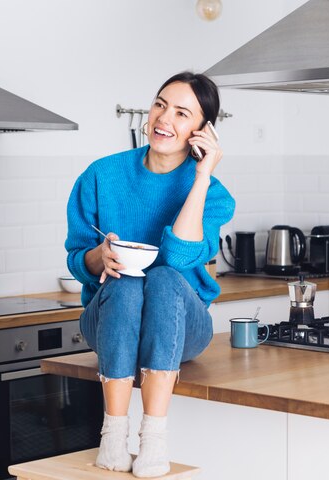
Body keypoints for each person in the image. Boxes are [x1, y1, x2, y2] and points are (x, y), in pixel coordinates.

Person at [65, 71, 235, 478]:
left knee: (160, 277)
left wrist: (202, 175)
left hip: (182, 329)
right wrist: (98, 257)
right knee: (124, 281)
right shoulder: (101, 176)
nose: (163, 118)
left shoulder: (213, 194)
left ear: (202, 130)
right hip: (109, 323)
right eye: (160, 104)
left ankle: (154, 437)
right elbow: (76, 258)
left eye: (181, 113)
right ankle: (114, 433)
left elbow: (178, 257)